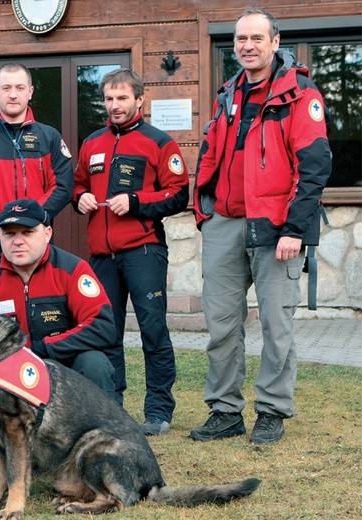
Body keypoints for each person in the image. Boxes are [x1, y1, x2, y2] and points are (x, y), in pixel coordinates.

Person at [190, 8, 332, 445]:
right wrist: (203, 211)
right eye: (240, 39)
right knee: (221, 325)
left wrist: (294, 228)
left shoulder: (299, 94)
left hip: (276, 227)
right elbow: (213, 153)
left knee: (276, 324)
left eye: (256, 38)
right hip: (225, 223)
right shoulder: (227, 94)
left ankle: (271, 411)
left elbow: (315, 166)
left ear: (275, 42)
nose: (247, 45)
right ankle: (225, 410)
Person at [0, 198, 119, 452]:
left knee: (94, 363)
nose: (18, 241)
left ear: (47, 232)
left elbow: (102, 326)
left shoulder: (74, 269)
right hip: (8, 380)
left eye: (28, 232)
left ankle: (101, 447)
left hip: (64, 374)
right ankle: (17, 453)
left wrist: (43, 349)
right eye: (9, 234)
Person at [73, 68, 189, 436]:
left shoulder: (159, 142)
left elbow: (179, 193)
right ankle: (113, 407)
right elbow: (77, 186)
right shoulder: (91, 142)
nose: (115, 105)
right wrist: (81, 199)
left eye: (122, 98)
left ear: (140, 99)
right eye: (109, 98)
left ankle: (158, 411)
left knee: (152, 331)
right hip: (101, 256)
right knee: (107, 332)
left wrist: (137, 201)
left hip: (144, 252)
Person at [0, 62, 73, 276]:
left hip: (35, 241)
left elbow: (63, 186)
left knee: (39, 305)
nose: (13, 95)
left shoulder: (50, 136)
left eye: (20, 88)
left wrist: (33, 218)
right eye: (6, 88)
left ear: (30, 92)